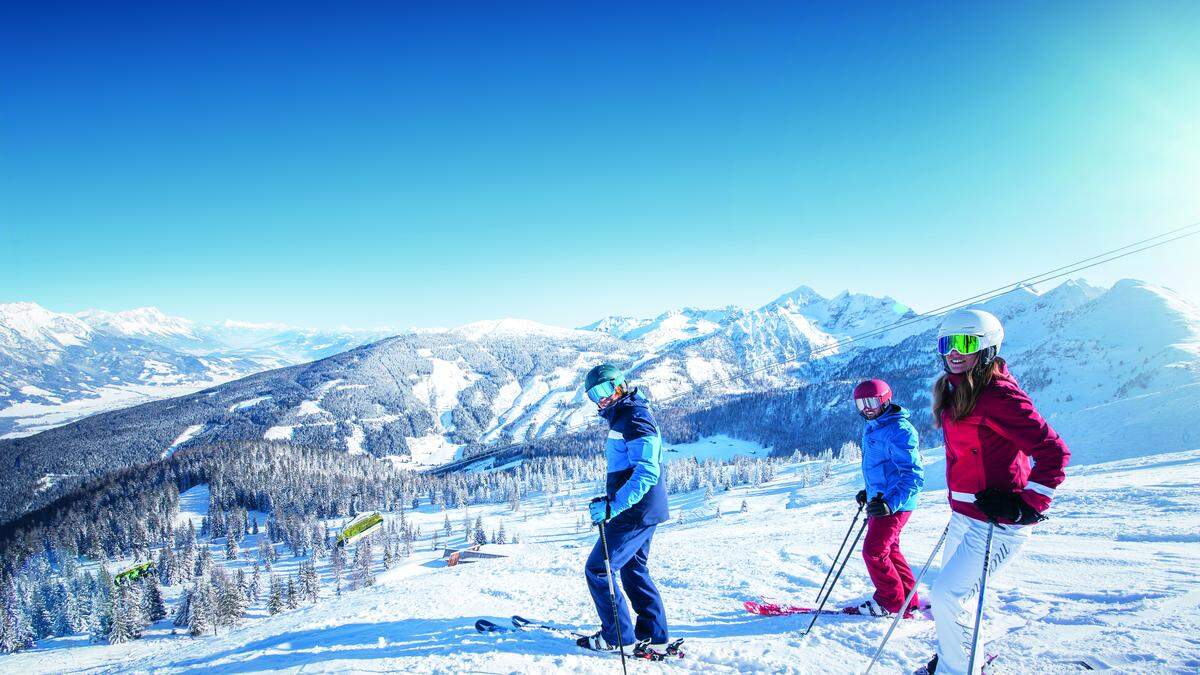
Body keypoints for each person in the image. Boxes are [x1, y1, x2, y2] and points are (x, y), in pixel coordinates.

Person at [919, 309, 1070, 675]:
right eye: (947, 343)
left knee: (949, 596)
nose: (954, 352)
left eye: (965, 343)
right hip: (964, 517)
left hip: (997, 522)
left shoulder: (998, 395)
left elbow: (1053, 451)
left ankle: (958, 670)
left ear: (987, 347)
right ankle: (961, 657)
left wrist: (1026, 505)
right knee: (952, 600)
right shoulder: (955, 390)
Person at [578, 364, 671, 659]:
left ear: (620, 384)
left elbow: (646, 472)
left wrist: (613, 505)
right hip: (641, 509)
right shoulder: (626, 414)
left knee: (599, 568)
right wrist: (611, 498)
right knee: (633, 569)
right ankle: (653, 635)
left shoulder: (635, 417)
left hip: (635, 511)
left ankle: (617, 637)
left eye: (606, 390)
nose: (602, 399)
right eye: (595, 395)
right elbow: (629, 468)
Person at [852, 378, 924, 617]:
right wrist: (869, 492)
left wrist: (889, 503)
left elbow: (913, 475)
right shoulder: (875, 425)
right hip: (881, 501)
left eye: (871, 401)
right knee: (890, 549)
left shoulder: (899, 430)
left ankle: (890, 602)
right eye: (861, 404)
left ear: (885, 399)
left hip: (894, 505)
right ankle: (907, 600)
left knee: (873, 551)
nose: (867, 408)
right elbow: (883, 467)